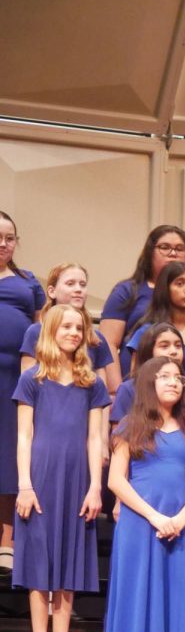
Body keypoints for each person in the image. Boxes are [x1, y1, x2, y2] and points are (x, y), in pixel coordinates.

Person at [14, 305, 110, 632]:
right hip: (41, 478)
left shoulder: (92, 383)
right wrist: (25, 484)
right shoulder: (33, 380)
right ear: (52, 330)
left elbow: (94, 440)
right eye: (66, 326)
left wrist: (95, 487)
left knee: (68, 564)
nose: (73, 332)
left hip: (76, 481)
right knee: (40, 564)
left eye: (79, 327)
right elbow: (25, 435)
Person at [106, 356, 185, 632]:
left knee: (176, 597)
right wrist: (154, 516)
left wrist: (180, 518)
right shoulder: (130, 425)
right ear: (149, 382)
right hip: (140, 526)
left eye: (178, 377)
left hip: (178, 529)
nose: (173, 382)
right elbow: (116, 480)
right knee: (137, 594)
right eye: (165, 376)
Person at [124, 260, 185, 473]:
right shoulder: (147, 332)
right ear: (165, 288)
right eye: (179, 283)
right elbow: (136, 385)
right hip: (153, 428)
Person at [99, 225, 185, 377]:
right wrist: (115, 390)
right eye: (164, 247)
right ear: (150, 252)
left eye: (179, 248)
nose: (172, 253)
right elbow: (108, 344)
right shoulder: (127, 291)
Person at [0, 212, 46, 566]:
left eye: (10, 237)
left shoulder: (28, 282)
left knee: (8, 453)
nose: (3, 243)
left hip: (12, 380)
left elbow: (40, 331)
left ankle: (8, 538)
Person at [20, 263, 118, 395]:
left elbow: (101, 393)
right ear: (52, 291)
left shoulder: (96, 338)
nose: (78, 289)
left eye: (82, 284)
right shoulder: (36, 332)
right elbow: (27, 388)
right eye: (70, 283)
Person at [111, 323, 185, 429]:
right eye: (164, 346)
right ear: (149, 350)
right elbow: (118, 439)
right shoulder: (128, 389)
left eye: (178, 346)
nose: (174, 351)